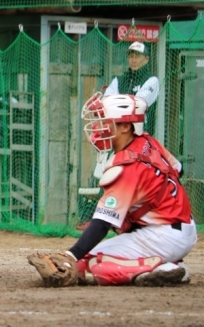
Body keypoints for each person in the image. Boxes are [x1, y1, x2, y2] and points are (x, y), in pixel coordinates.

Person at [29, 93, 196, 287]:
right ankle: (172, 264)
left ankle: (161, 268)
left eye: (105, 121)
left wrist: (71, 255)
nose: (98, 127)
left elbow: (102, 223)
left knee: (85, 266)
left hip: (162, 235)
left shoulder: (125, 167)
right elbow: (178, 170)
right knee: (117, 229)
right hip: (180, 226)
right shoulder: (148, 142)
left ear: (125, 127)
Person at [104, 41, 159, 134]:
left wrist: (117, 102)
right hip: (119, 132)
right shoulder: (119, 80)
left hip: (141, 133)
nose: (133, 60)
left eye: (137, 56)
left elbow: (139, 104)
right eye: (131, 56)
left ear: (146, 59)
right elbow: (106, 100)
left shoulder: (152, 80)